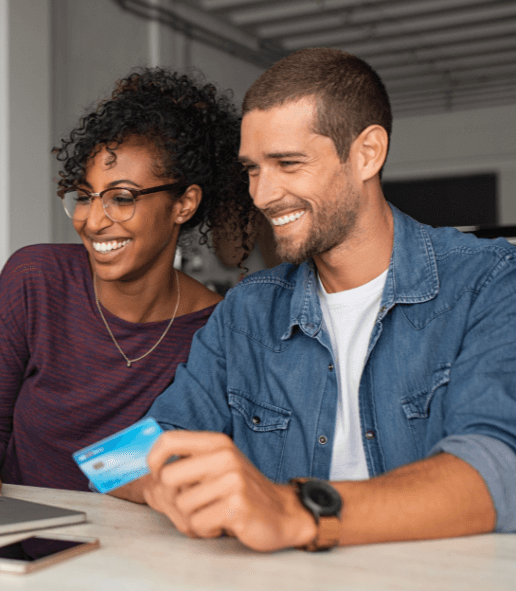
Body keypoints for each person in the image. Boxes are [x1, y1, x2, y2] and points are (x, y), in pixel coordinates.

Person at [116, 48, 516, 552]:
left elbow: (498, 469)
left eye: (287, 163)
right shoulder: (246, 311)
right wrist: (170, 482)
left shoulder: (492, 279)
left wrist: (293, 509)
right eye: (253, 169)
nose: (261, 195)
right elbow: (118, 460)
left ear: (367, 153)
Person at [0, 67, 257, 496]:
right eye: (85, 196)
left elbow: (144, 462)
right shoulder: (35, 280)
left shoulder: (215, 330)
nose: (93, 220)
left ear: (184, 204)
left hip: (126, 553)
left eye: (122, 198)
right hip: (11, 540)